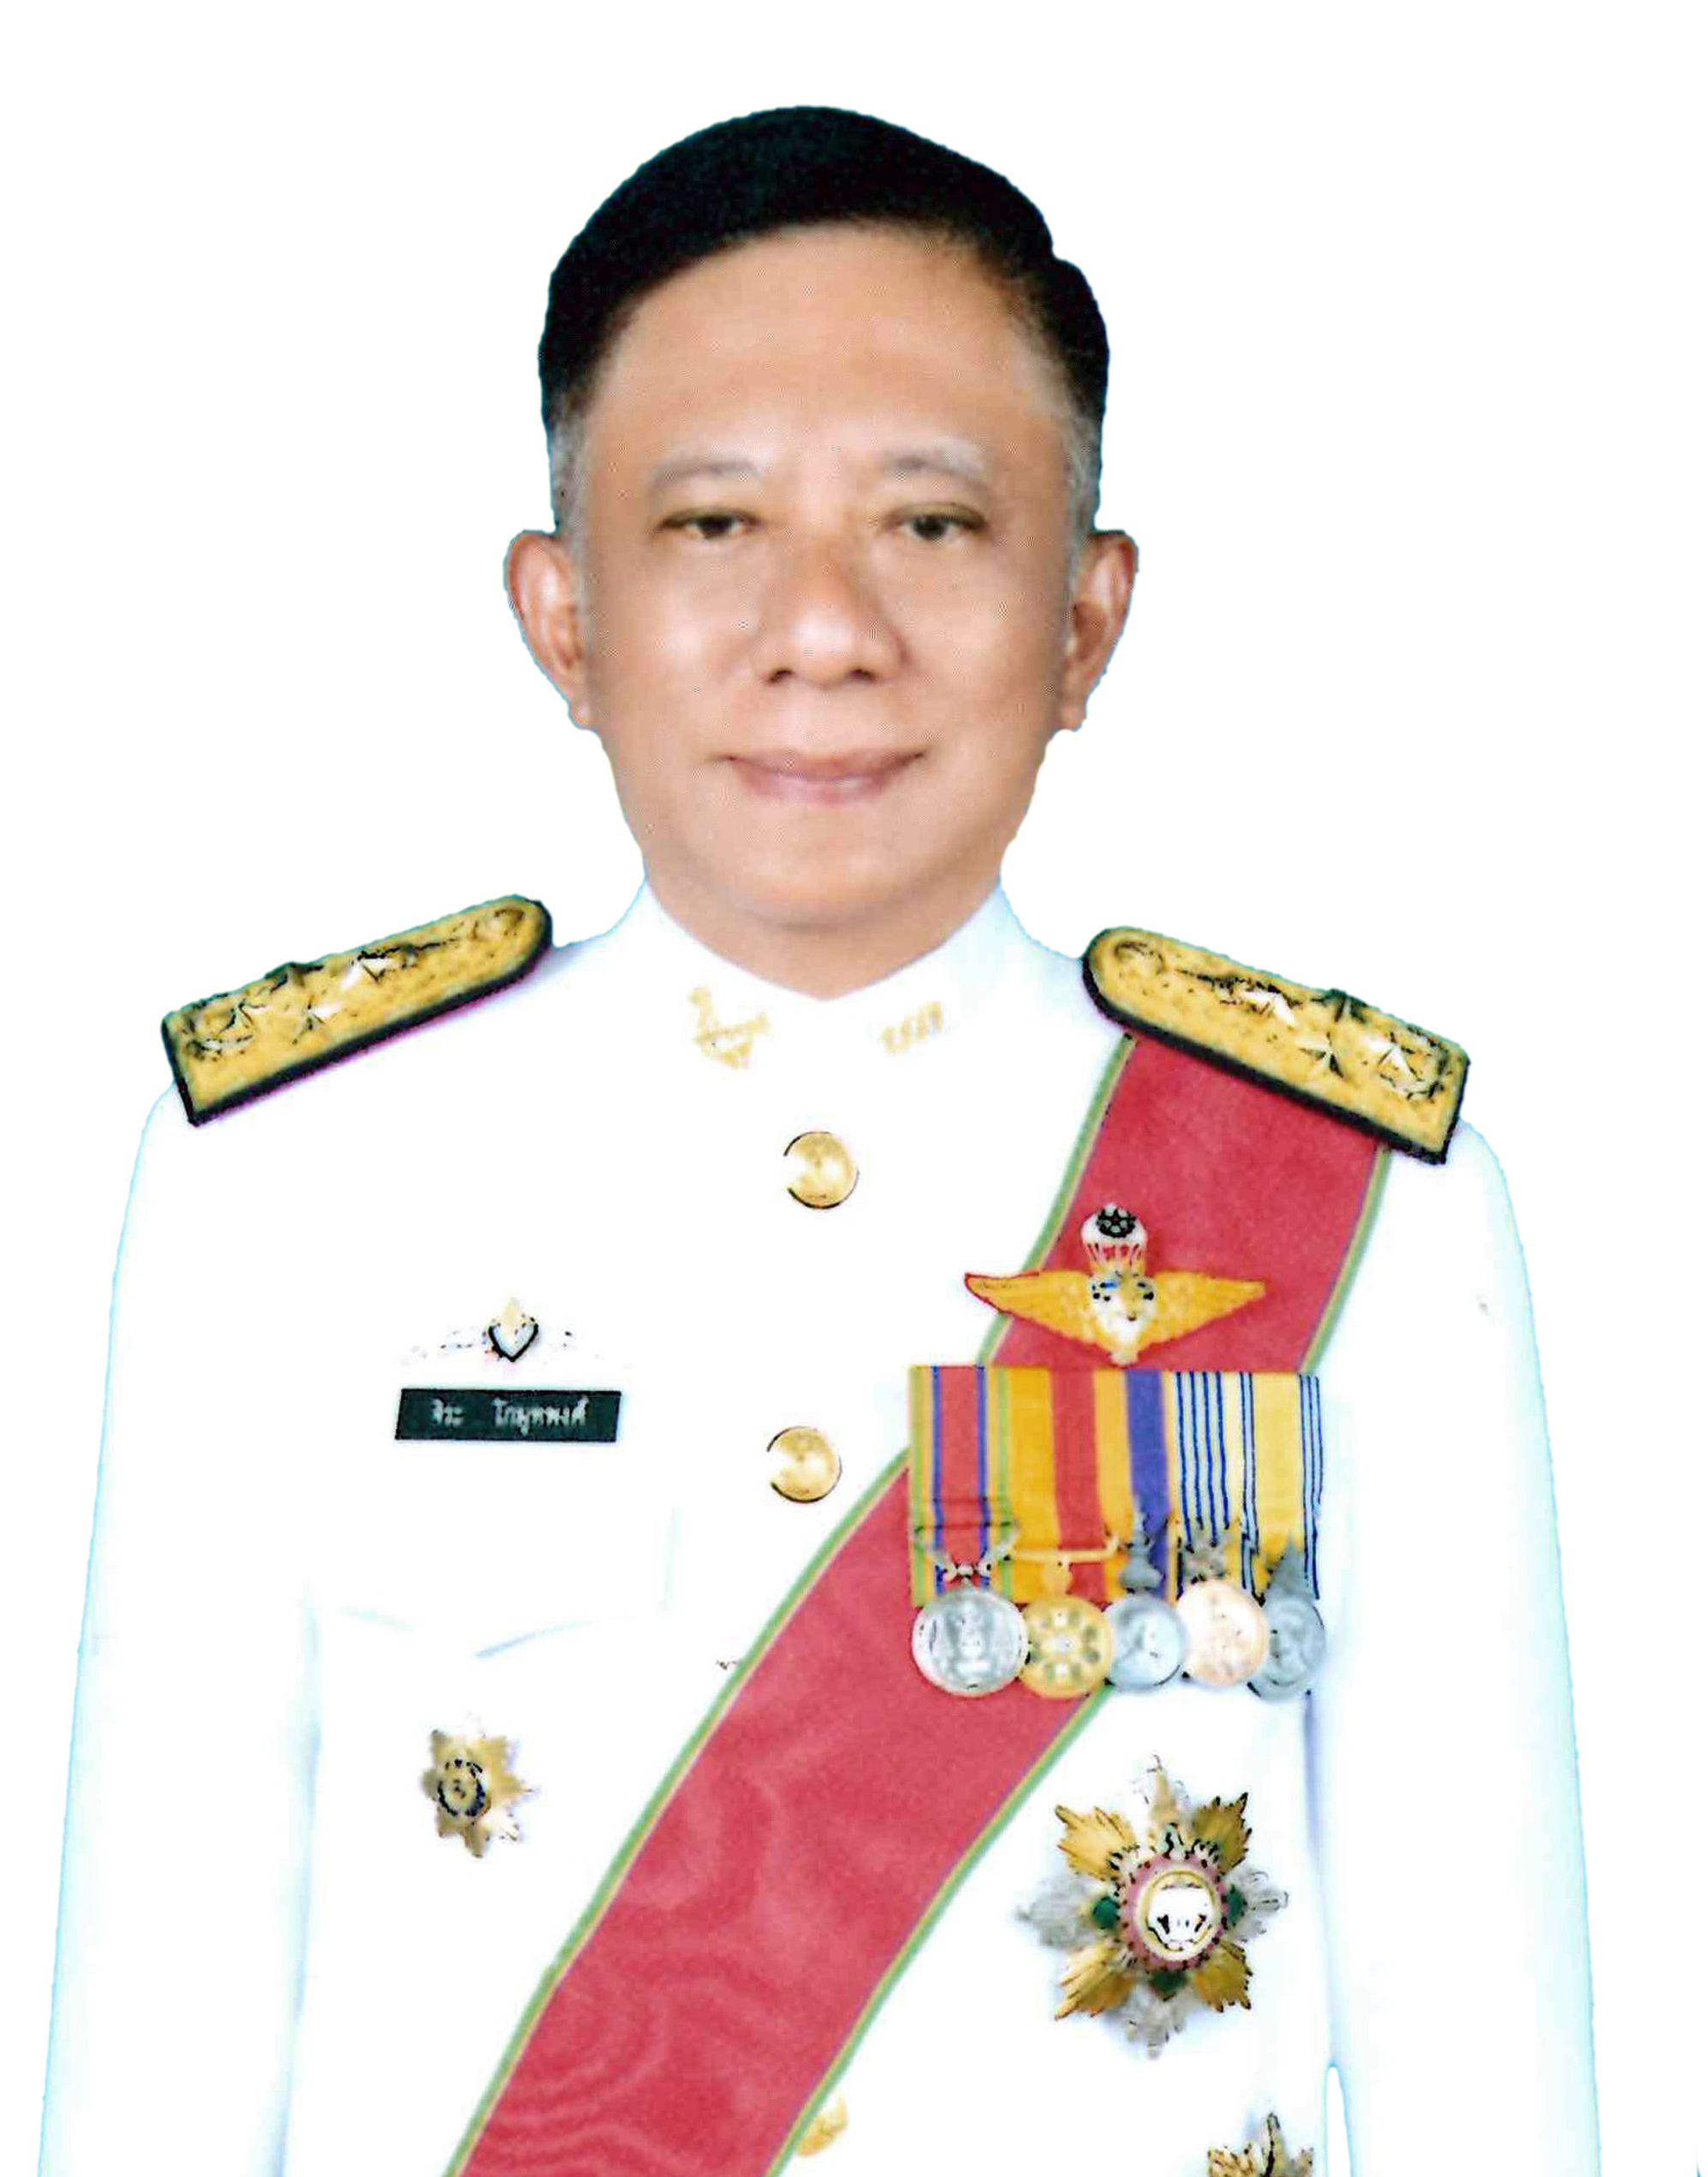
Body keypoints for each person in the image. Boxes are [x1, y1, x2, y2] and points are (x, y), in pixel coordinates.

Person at [39, 107, 1598, 2175]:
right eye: (713, 525)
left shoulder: (1367, 1201)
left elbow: (1480, 2047)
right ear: (561, 618)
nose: (825, 626)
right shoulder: (289, 1173)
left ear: (1085, 620)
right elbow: (163, 2021)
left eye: (931, 524)